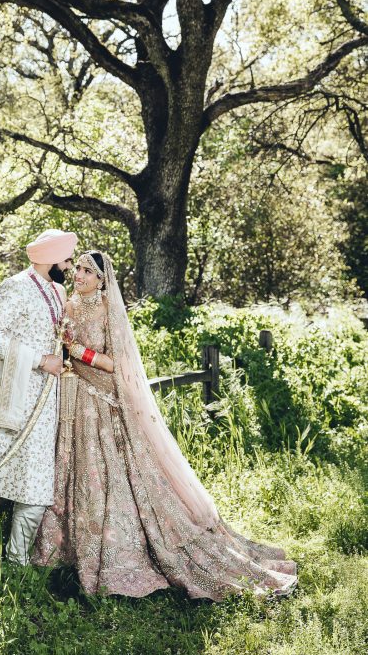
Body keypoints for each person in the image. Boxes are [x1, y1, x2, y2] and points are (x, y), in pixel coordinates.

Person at [31, 250, 298, 600]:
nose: (78, 275)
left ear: (102, 279)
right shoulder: (68, 305)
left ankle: (121, 549)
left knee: (109, 473)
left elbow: (118, 365)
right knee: (76, 469)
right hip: (75, 397)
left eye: (87, 271)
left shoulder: (107, 309)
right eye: (77, 268)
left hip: (103, 400)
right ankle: (66, 550)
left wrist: (78, 351)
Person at [0, 228, 77, 565]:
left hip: (53, 398)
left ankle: (17, 557)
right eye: (65, 258)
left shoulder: (58, 291)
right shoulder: (16, 287)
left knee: (37, 478)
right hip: (22, 397)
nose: (68, 265)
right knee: (27, 481)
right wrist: (39, 360)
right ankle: (14, 562)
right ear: (50, 257)